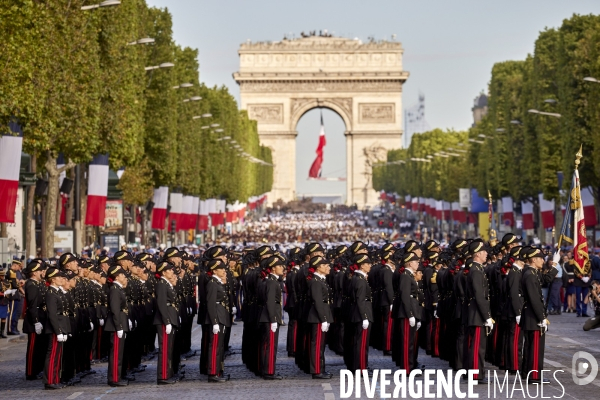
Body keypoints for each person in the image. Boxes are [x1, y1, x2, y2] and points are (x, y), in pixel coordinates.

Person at [520, 247, 557, 383]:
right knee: (535, 348)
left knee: (531, 347)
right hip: (533, 316)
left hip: (531, 315)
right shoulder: (530, 275)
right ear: (534, 260)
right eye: (541, 258)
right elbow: (534, 298)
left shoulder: (532, 272)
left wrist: (554, 265)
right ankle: (534, 376)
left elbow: (546, 279)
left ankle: (529, 374)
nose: (543, 260)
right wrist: (542, 318)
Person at [465, 240, 492, 383]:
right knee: (476, 347)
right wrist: (486, 316)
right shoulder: (475, 271)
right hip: (477, 314)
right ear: (477, 254)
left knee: (480, 346)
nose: (486, 254)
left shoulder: (478, 269)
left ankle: (478, 374)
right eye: (484, 252)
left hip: (478, 313)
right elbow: (479, 295)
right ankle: (475, 375)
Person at [204, 259, 232, 382]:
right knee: (215, 346)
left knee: (219, 347)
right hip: (216, 318)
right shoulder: (212, 283)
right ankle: (213, 373)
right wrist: (214, 321)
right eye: (221, 268)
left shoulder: (218, 283)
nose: (224, 270)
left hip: (221, 317)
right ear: (214, 270)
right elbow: (210, 304)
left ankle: (218, 371)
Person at [306, 256, 333, 379]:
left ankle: (321, 368)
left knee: (321, 345)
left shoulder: (320, 280)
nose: (329, 267)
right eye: (325, 265)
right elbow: (317, 302)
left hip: (321, 316)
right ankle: (316, 370)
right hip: (317, 317)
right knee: (316, 345)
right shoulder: (316, 282)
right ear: (318, 267)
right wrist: (323, 319)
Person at [258, 255, 284, 380]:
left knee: (267, 345)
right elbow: (270, 302)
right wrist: (274, 319)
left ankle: (266, 370)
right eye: (279, 266)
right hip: (270, 318)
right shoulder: (272, 282)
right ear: (273, 268)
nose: (282, 268)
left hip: (266, 317)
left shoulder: (269, 280)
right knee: (271, 346)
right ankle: (269, 371)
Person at [154, 261, 180, 385]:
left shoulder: (167, 284)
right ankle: (162, 376)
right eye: (169, 270)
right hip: (165, 320)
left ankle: (167, 374)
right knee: (164, 349)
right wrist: (167, 321)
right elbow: (161, 304)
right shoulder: (162, 284)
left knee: (169, 349)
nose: (172, 271)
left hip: (170, 317)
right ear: (164, 272)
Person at [43, 267, 69, 390]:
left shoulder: (57, 292)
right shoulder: (50, 293)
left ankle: (55, 379)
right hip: (54, 328)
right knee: (52, 355)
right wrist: (58, 331)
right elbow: (52, 314)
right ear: (53, 280)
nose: (61, 279)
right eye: (59, 277)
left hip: (60, 327)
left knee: (57, 355)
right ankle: (49, 381)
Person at [104, 265, 130, 387]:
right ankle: (114, 379)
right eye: (123, 275)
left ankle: (117, 377)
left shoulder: (118, 289)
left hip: (119, 323)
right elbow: (115, 310)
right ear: (117, 276)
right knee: (115, 354)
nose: (125, 277)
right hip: (115, 326)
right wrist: (119, 326)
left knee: (119, 353)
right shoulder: (114, 289)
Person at [348, 254, 374, 372]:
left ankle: (358, 366)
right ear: (362, 266)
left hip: (357, 314)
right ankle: (361, 367)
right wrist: (364, 317)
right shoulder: (360, 281)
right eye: (368, 264)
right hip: (362, 314)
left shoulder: (356, 278)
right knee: (362, 344)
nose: (370, 266)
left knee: (358, 342)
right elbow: (360, 300)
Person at [23, 259, 47, 381]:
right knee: (33, 348)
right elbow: (32, 305)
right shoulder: (31, 285)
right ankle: (30, 372)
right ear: (33, 273)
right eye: (39, 270)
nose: (41, 272)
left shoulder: (38, 284)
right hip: (34, 320)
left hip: (41, 316)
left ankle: (37, 369)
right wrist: (36, 321)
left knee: (39, 347)